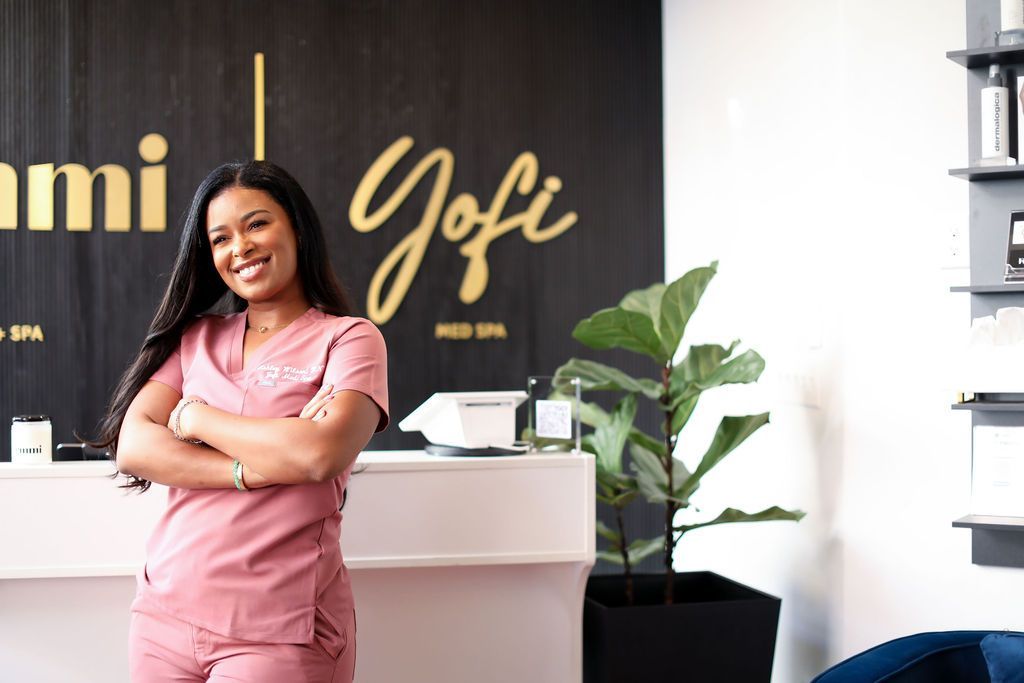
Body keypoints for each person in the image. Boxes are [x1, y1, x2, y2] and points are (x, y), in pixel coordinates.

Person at [86, 160, 388, 682]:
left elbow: (318, 454)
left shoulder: (350, 340)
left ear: (296, 226)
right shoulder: (194, 338)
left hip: (281, 627)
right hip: (164, 616)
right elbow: (135, 445)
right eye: (220, 238)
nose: (240, 248)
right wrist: (252, 467)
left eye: (256, 224)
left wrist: (193, 417)